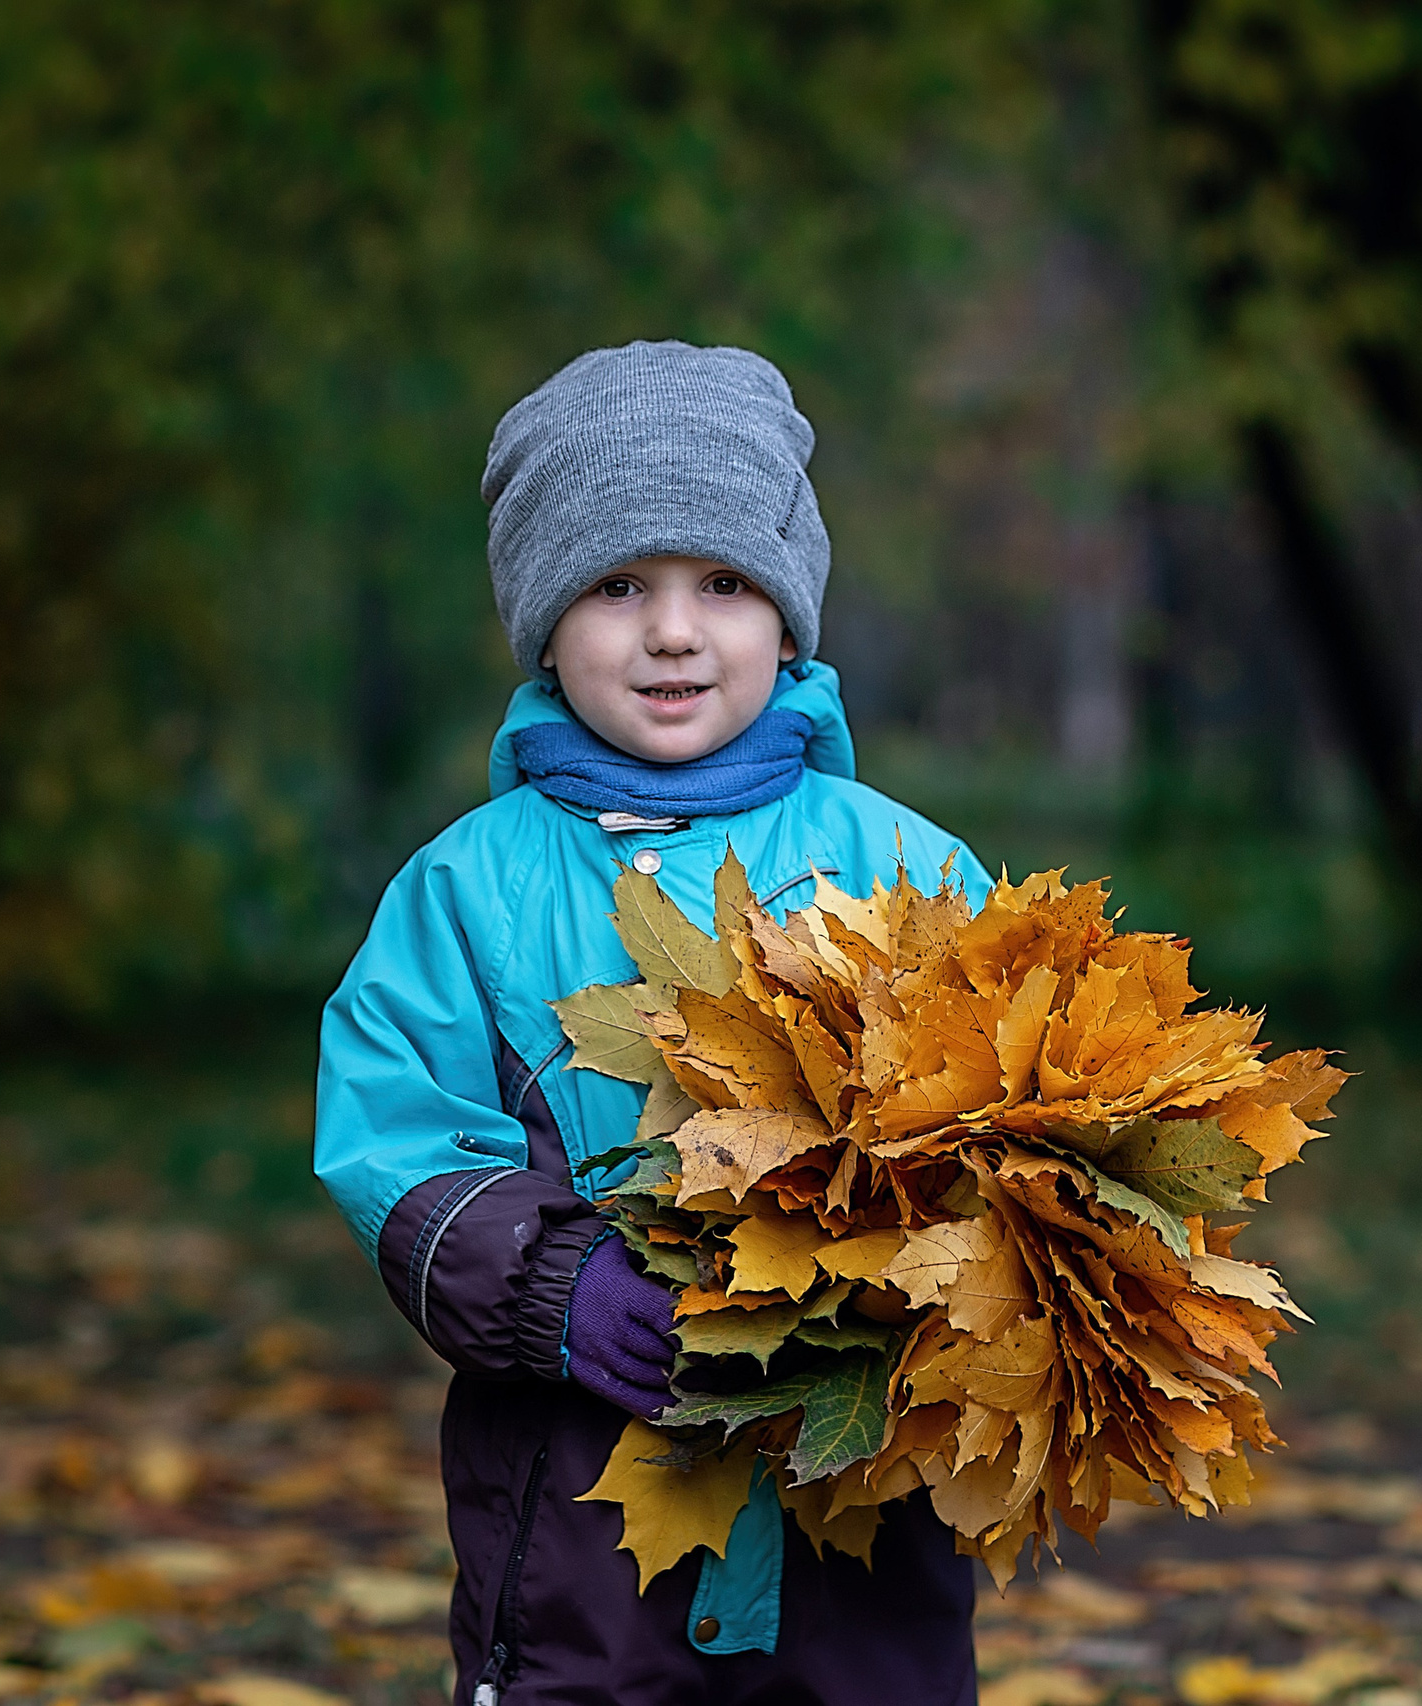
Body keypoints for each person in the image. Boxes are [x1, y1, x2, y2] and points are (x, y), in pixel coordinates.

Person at [314, 341, 987, 1706]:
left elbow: (1013, 1122)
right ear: (546, 618)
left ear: (788, 619)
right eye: (619, 585)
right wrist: (557, 1288)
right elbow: (397, 1140)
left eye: (724, 583)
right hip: (579, 1530)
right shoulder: (470, 888)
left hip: (856, 1514)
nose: (674, 630)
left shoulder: (906, 870)